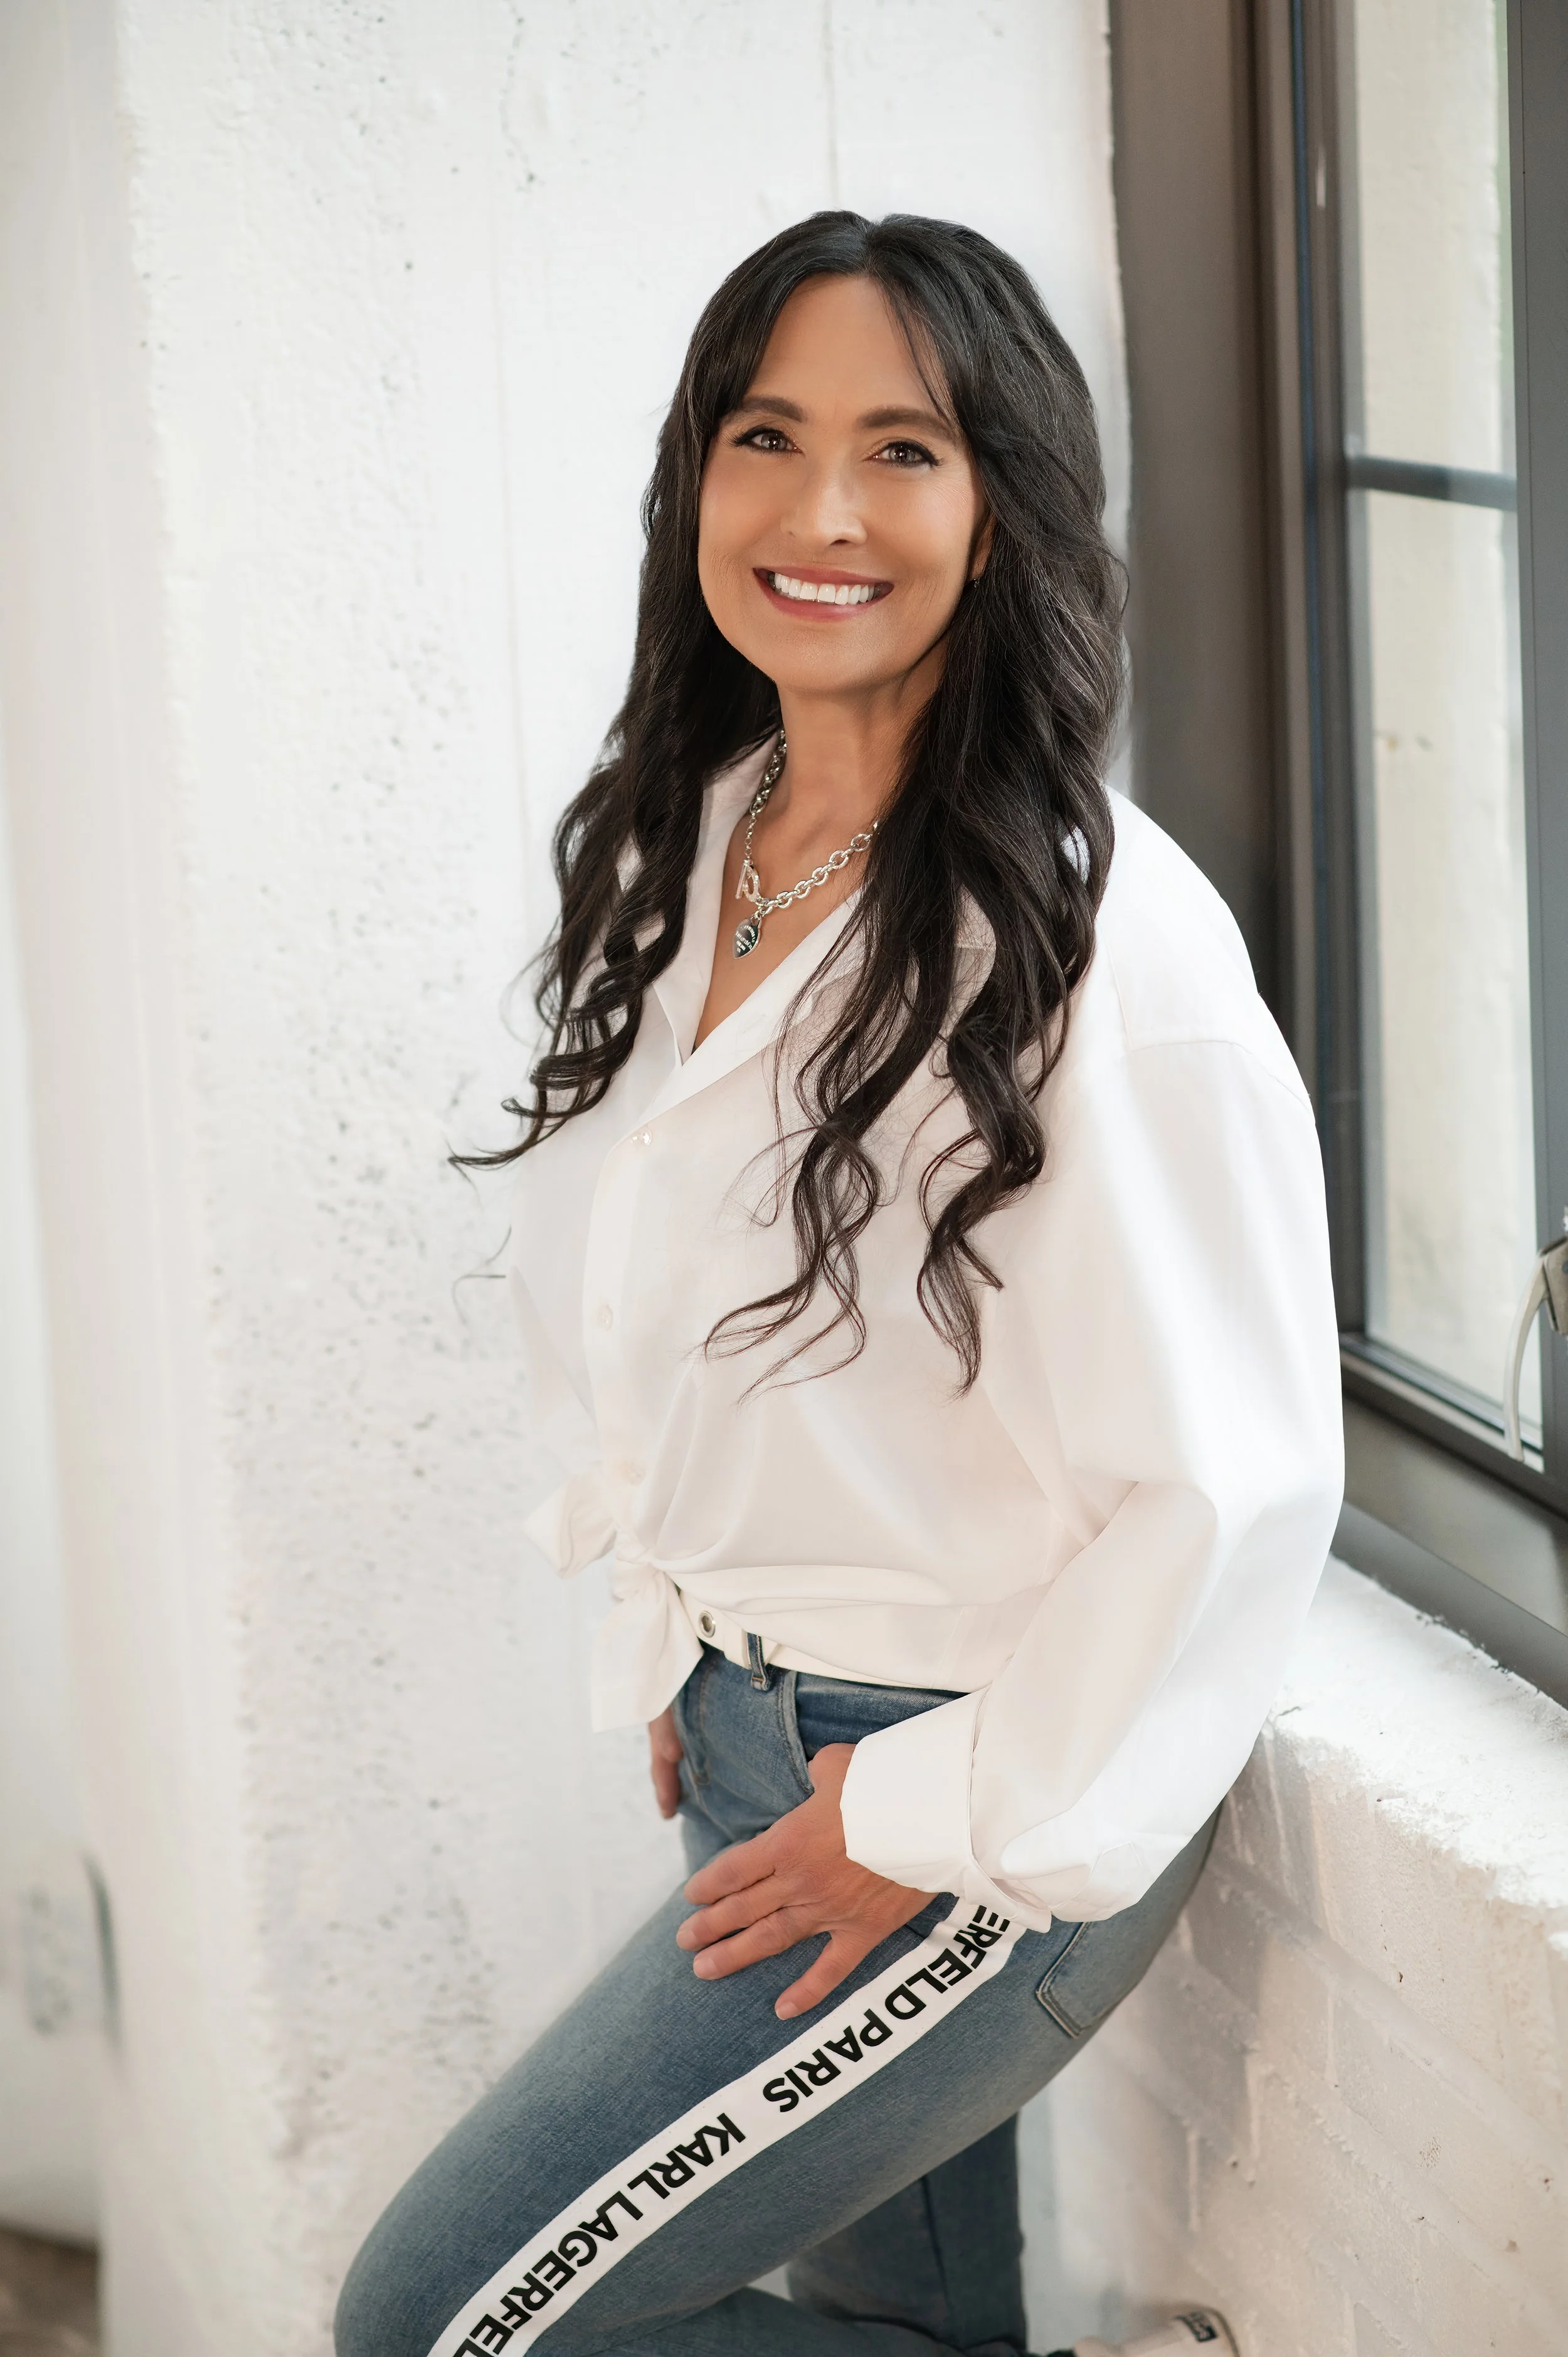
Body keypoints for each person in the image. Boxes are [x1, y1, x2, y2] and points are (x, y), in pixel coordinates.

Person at [335, 211, 1342, 2357]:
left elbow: (1235, 1484)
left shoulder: (1098, 950)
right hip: (754, 1721)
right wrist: (693, 1611)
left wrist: (921, 1815)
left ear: (1003, 507)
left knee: (442, 2323)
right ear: (693, 478)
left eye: (902, 449)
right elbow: (671, 1294)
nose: (819, 514)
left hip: (970, 1786)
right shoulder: (710, 834)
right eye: (765, 437)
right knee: (885, 2317)